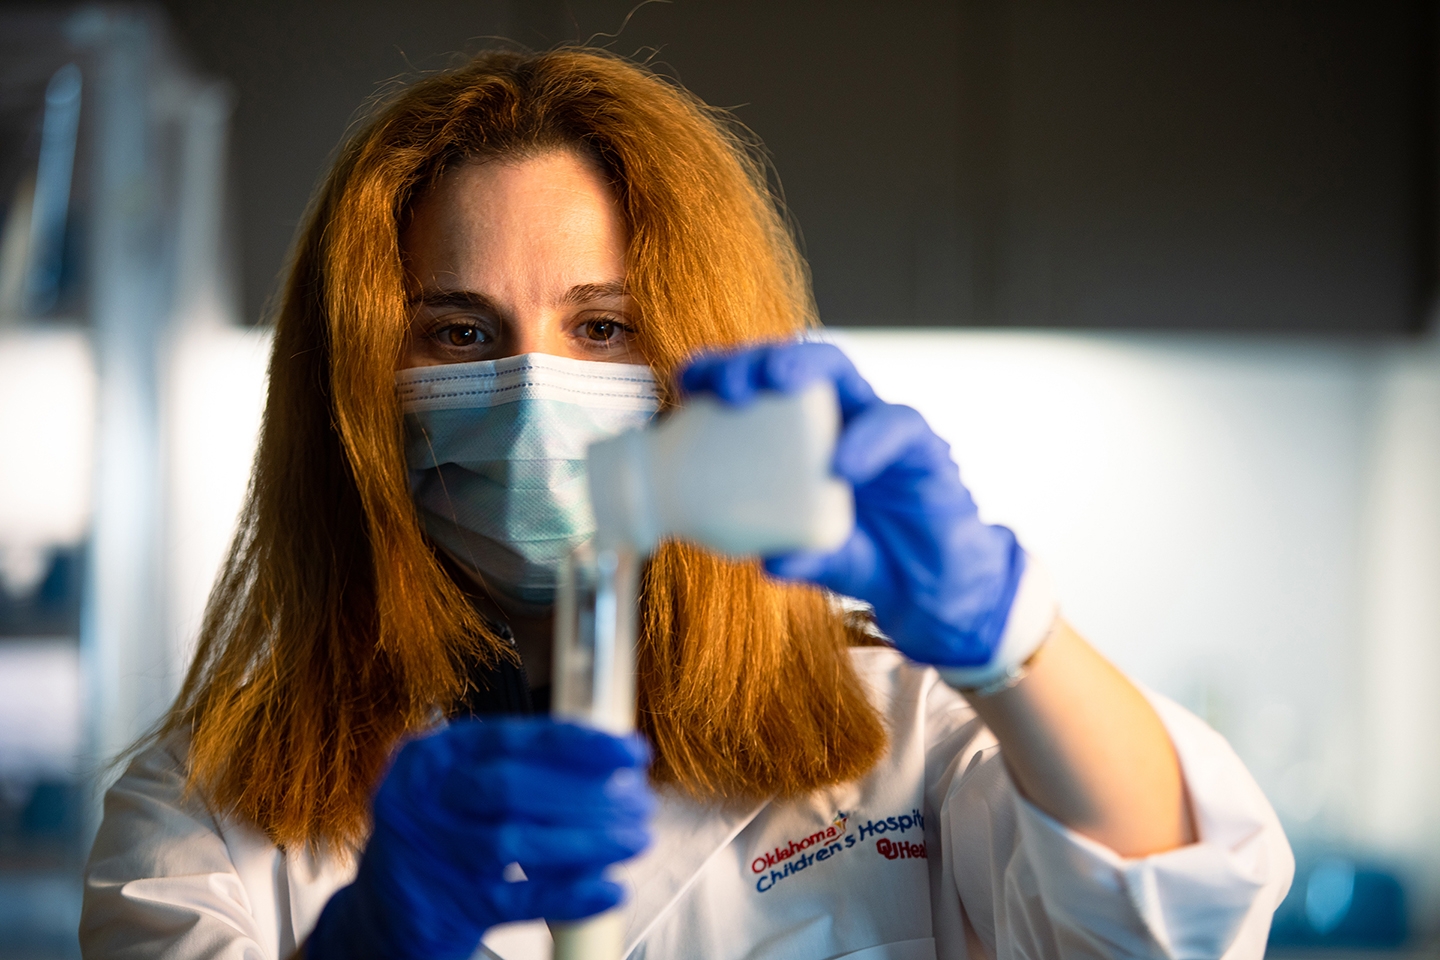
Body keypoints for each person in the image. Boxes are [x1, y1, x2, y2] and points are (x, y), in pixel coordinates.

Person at [80, 48, 1291, 960]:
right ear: (353, 386)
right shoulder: (205, 812)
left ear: (695, 357)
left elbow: (1174, 913)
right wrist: (376, 940)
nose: (536, 390)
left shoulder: (902, 738)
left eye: (603, 328)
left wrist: (1012, 634)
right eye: (457, 331)